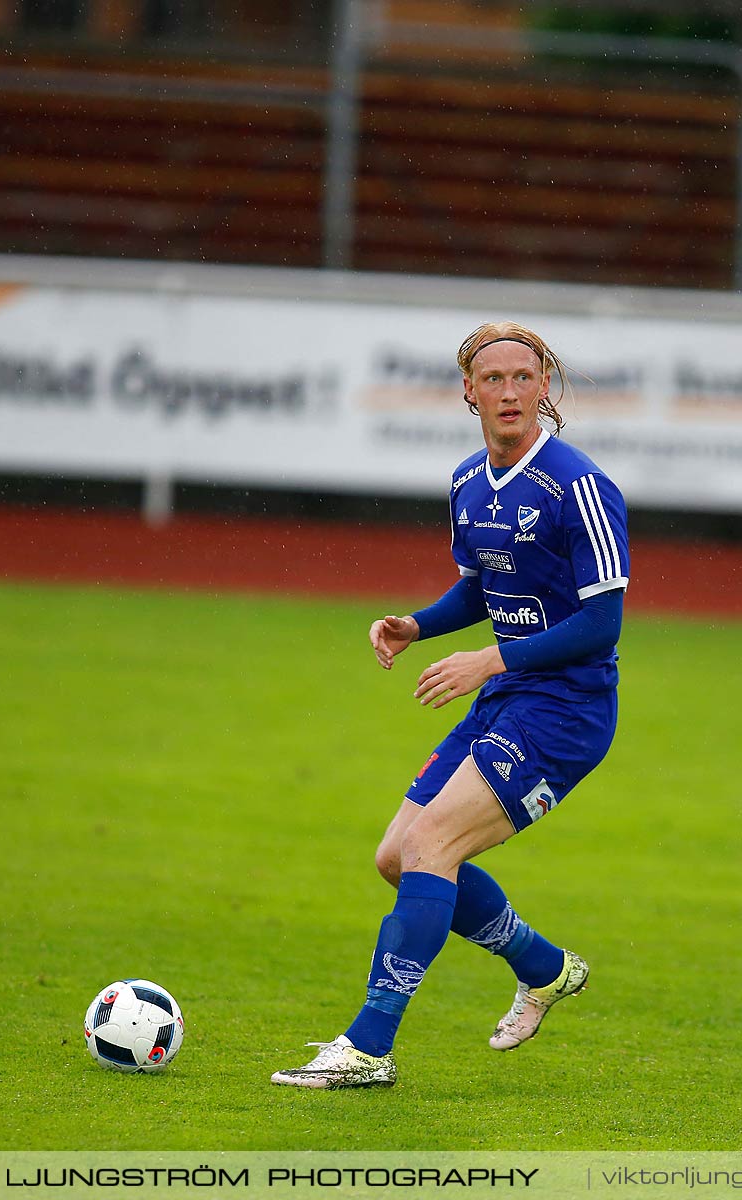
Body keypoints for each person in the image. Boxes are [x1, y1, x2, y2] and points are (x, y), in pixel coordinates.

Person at [271, 321, 628, 1088]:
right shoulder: (470, 481)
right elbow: (481, 585)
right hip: (507, 696)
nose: (508, 392)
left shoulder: (580, 488)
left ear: (545, 388)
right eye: (492, 379)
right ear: (468, 391)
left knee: (432, 845)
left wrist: (488, 658)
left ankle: (368, 1047)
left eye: (523, 378)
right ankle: (544, 967)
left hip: (567, 711)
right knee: (397, 859)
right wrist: (419, 625)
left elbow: (602, 622)